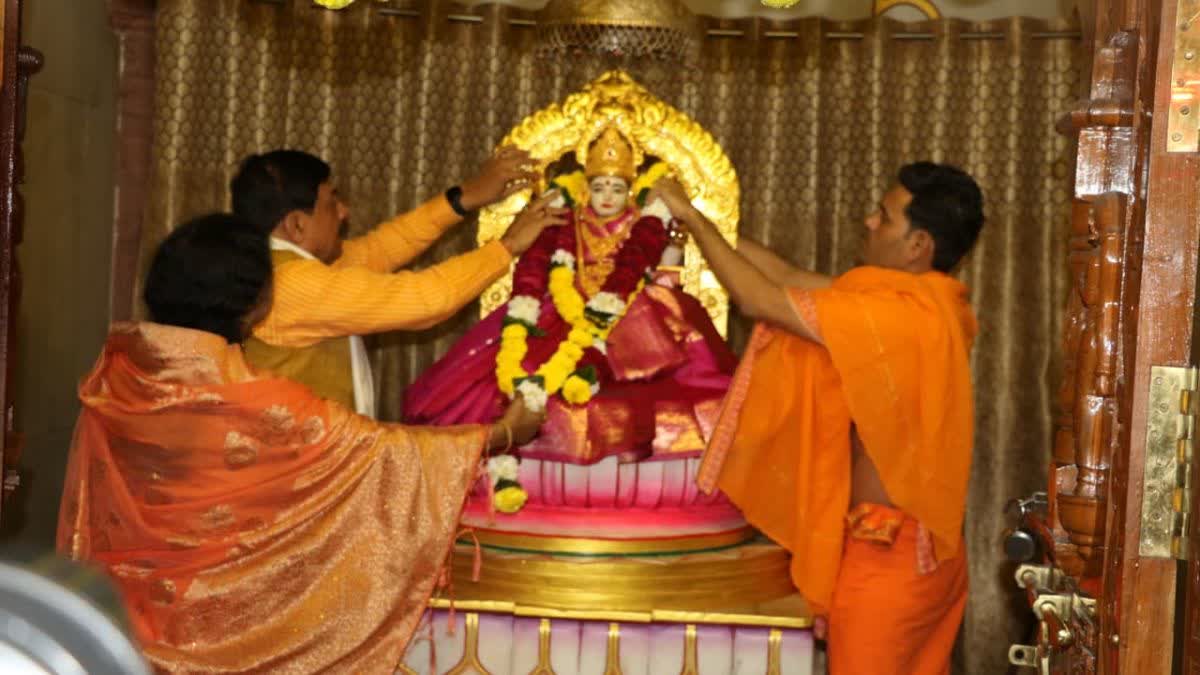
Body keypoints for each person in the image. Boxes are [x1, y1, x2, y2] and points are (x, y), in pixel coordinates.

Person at [57, 213, 542, 674]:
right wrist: (502, 433)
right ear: (255, 306)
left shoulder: (115, 379)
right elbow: (383, 453)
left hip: (119, 625)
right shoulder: (262, 405)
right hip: (221, 631)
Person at [653, 162, 984, 675]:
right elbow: (784, 278)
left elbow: (759, 298)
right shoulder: (924, 308)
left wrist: (694, 221)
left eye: (884, 216)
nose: (869, 222)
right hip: (925, 557)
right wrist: (705, 218)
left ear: (918, 244)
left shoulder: (898, 318)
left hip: (891, 559)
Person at [403, 127, 737, 465]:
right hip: (561, 306)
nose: (607, 196)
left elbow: (658, 271)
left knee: (656, 370)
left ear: (631, 192)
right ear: (584, 190)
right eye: (599, 187)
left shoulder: (642, 223)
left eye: (617, 188)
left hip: (631, 308)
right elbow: (539, 266)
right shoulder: (570, 219)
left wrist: (671, 248)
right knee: (511, 373)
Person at [231, 148, 567, 417]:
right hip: (297, 474)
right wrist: (507, 247)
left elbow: (383, 247)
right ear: (296, 225)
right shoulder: (292, 283)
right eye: (332, 202)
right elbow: (426, 299)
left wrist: (464, 198)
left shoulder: (290, 268)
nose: (344, 212)